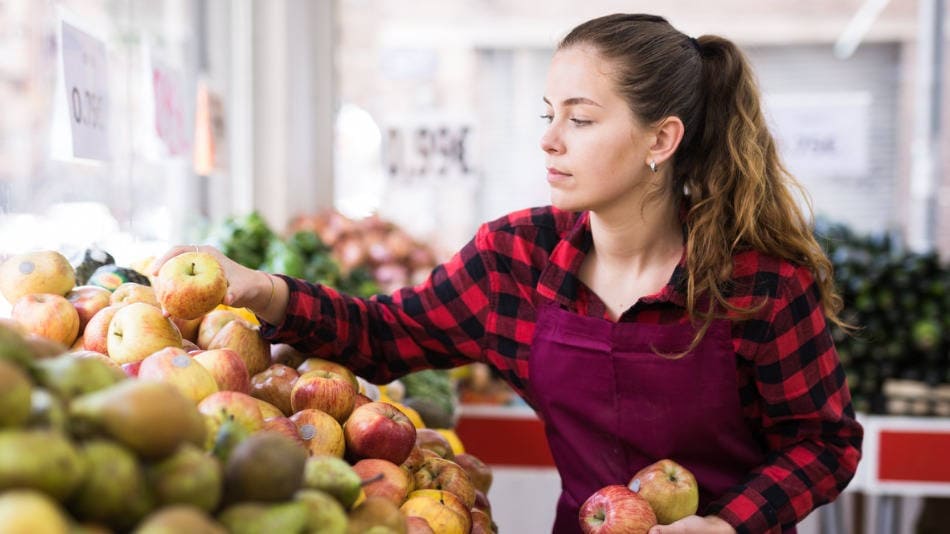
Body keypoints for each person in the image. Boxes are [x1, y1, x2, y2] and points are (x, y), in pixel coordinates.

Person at [152, 13, 862, 534]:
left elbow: (824, 444)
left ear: (661, 139)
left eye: (580, 120)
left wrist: (729, 525)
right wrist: (262, 287)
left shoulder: (761, 285)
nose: (549, 139)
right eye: (549, 114)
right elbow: (388, 335)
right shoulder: (517, 259)